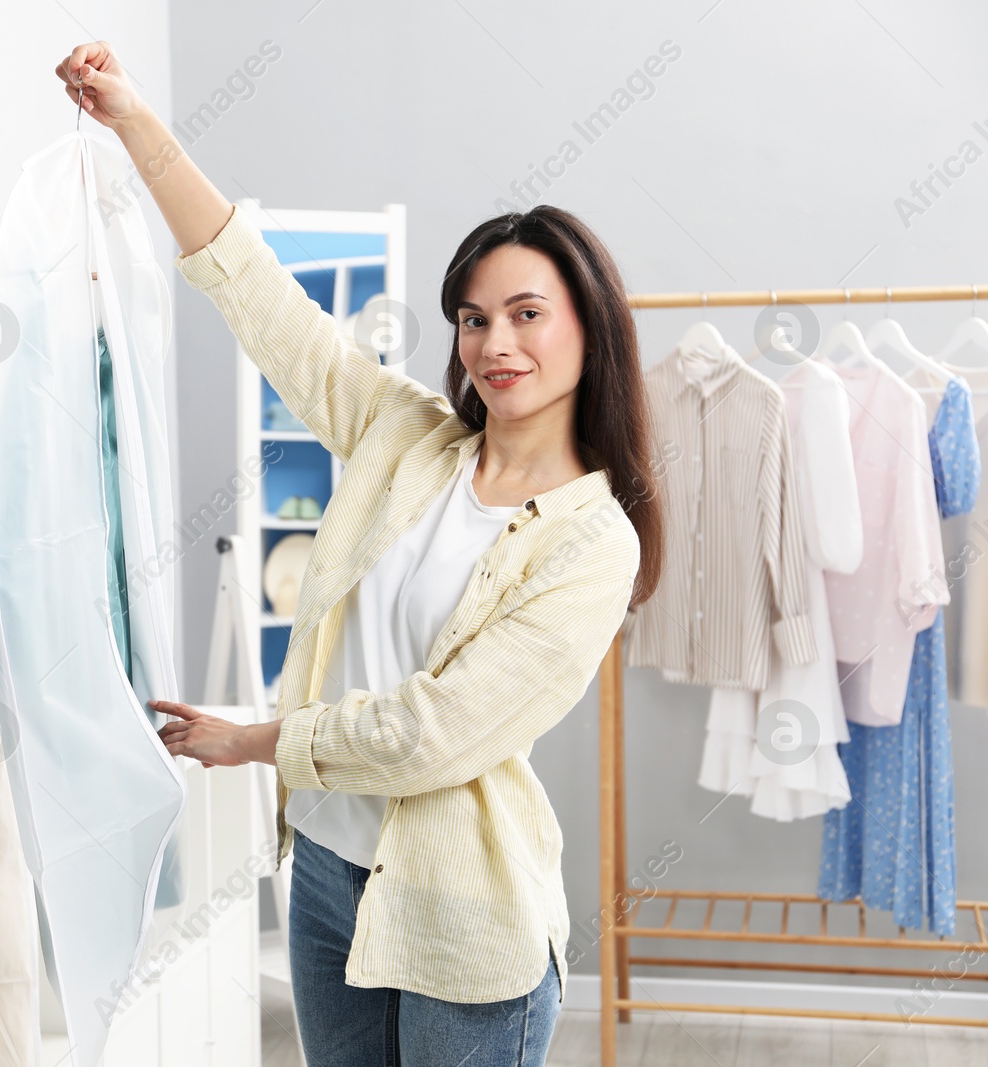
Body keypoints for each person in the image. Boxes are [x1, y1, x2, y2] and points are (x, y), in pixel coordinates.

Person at [56, 41, 665, 1067]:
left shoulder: (593, 541)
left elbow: (433, 732)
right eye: (474, 319)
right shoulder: (408, 436)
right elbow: (261, 298)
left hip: (463, 915)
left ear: (588, 331)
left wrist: (251, 739)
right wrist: (134, 124)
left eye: (526, 314)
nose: (493, 344)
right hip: (326, 879)